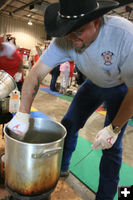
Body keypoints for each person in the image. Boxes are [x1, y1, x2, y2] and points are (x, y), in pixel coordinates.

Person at [7, 0, 133, 199]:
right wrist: (23, 113)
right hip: (92, 83)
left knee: (112, 146)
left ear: (97, 22)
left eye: (79, 31)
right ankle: (61, 169)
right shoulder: (66, 38)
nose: (72, 38)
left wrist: (114, 129)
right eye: (68, 31)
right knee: (68, 124)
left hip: (121, 87)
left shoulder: (125, 35)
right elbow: (35, 74)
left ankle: (105, 196)